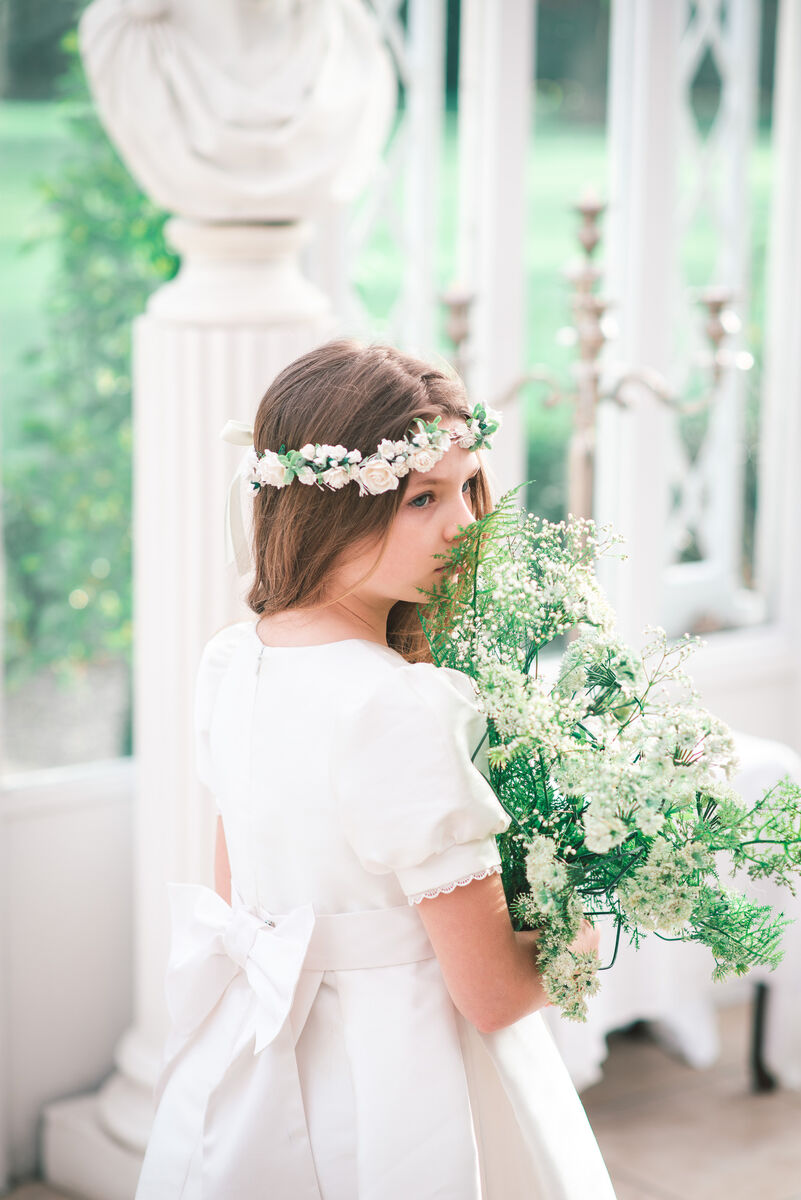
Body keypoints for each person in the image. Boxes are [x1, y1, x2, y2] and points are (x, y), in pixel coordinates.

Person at [135, 339, 617, 1199]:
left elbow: (242, 891)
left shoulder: (232, 660)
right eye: (420, 498)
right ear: (326, 509)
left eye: (467, 488)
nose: (464, 526)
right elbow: (495, 996)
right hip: (405, 1072)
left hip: (262, 1043)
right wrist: (584, 920)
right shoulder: (398, 705)